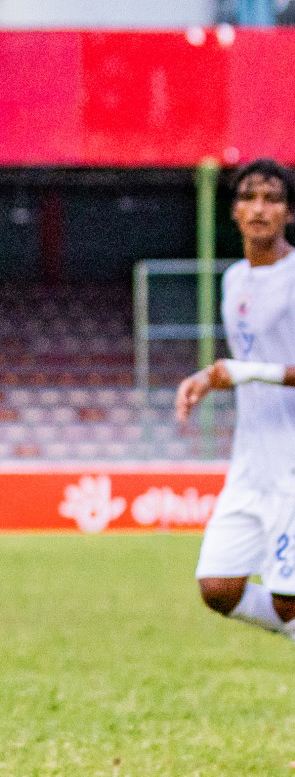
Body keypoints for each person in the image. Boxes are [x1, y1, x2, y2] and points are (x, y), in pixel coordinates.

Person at [176, 158, 295, 643]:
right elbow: (249, 358)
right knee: (219, 587)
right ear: (234, 211)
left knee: (288, 599)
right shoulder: (233, 281)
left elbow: (251, 367)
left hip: (291, 466)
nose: (259, 208)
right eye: (248, 197)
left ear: (289, 213)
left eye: (272, 198)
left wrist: (243, 372)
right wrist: (208, 376)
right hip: (250, 464)